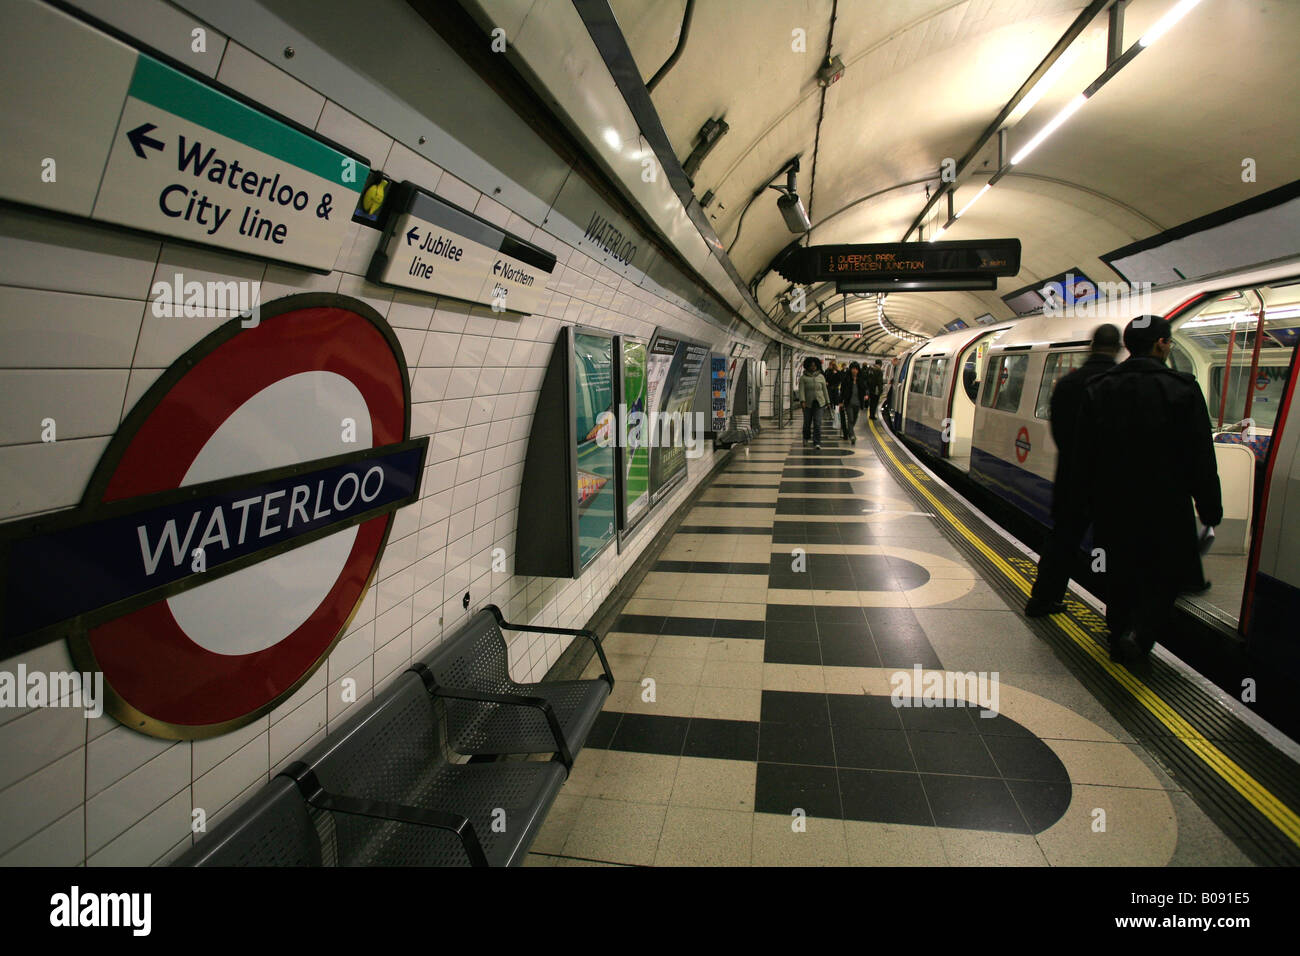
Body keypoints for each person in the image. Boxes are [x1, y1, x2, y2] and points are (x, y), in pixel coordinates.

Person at [1073, 316, 1223, 665]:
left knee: (1119, 573)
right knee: (1165, 576)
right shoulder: (1183, 388)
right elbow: (1201, 456)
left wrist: (1084, 504)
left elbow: (1084, 455)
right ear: (1160, 344)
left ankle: (1119, 632)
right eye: (1168, 342)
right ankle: (1139, 633)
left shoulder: (1099, 387)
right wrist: (1210, 509)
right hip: (1167, 506)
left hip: (1114, 505)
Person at [1024, 324, 1121, 618]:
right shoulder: (1121, 384)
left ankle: (1042, 600)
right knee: (1112, 550)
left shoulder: (1067, 384)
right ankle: (1115, 619)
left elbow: (1060, 432)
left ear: (1091, 347)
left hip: (1072, 479)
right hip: (1112, 484)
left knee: (1062, 543)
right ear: (1117, 348)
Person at [799, 357, 830, 448]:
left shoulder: (821, 377)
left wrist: (828, 402)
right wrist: (802, 401)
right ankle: (806, 437)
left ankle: (817, 442)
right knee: (807, 423)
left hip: (819, 403)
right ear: (807, 366)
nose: (813, 367)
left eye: (815, 365)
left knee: (817, 423)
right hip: (807, 403)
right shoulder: (803, 378)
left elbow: (825, 390)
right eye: (811, 365)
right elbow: (801, 390)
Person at [841, 361, 864, 443]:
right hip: (849, 403)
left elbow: (864, 389)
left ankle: (848, 431)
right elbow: (842, 391)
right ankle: (852, 435)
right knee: (850, 419)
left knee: (854, 419)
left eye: (856, 369)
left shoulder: (860, 380)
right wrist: (841, 401)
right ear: (850, 370)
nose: (854, 371)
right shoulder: (846, 379)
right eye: (853, 369)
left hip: (857, 403)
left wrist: (865, 396)